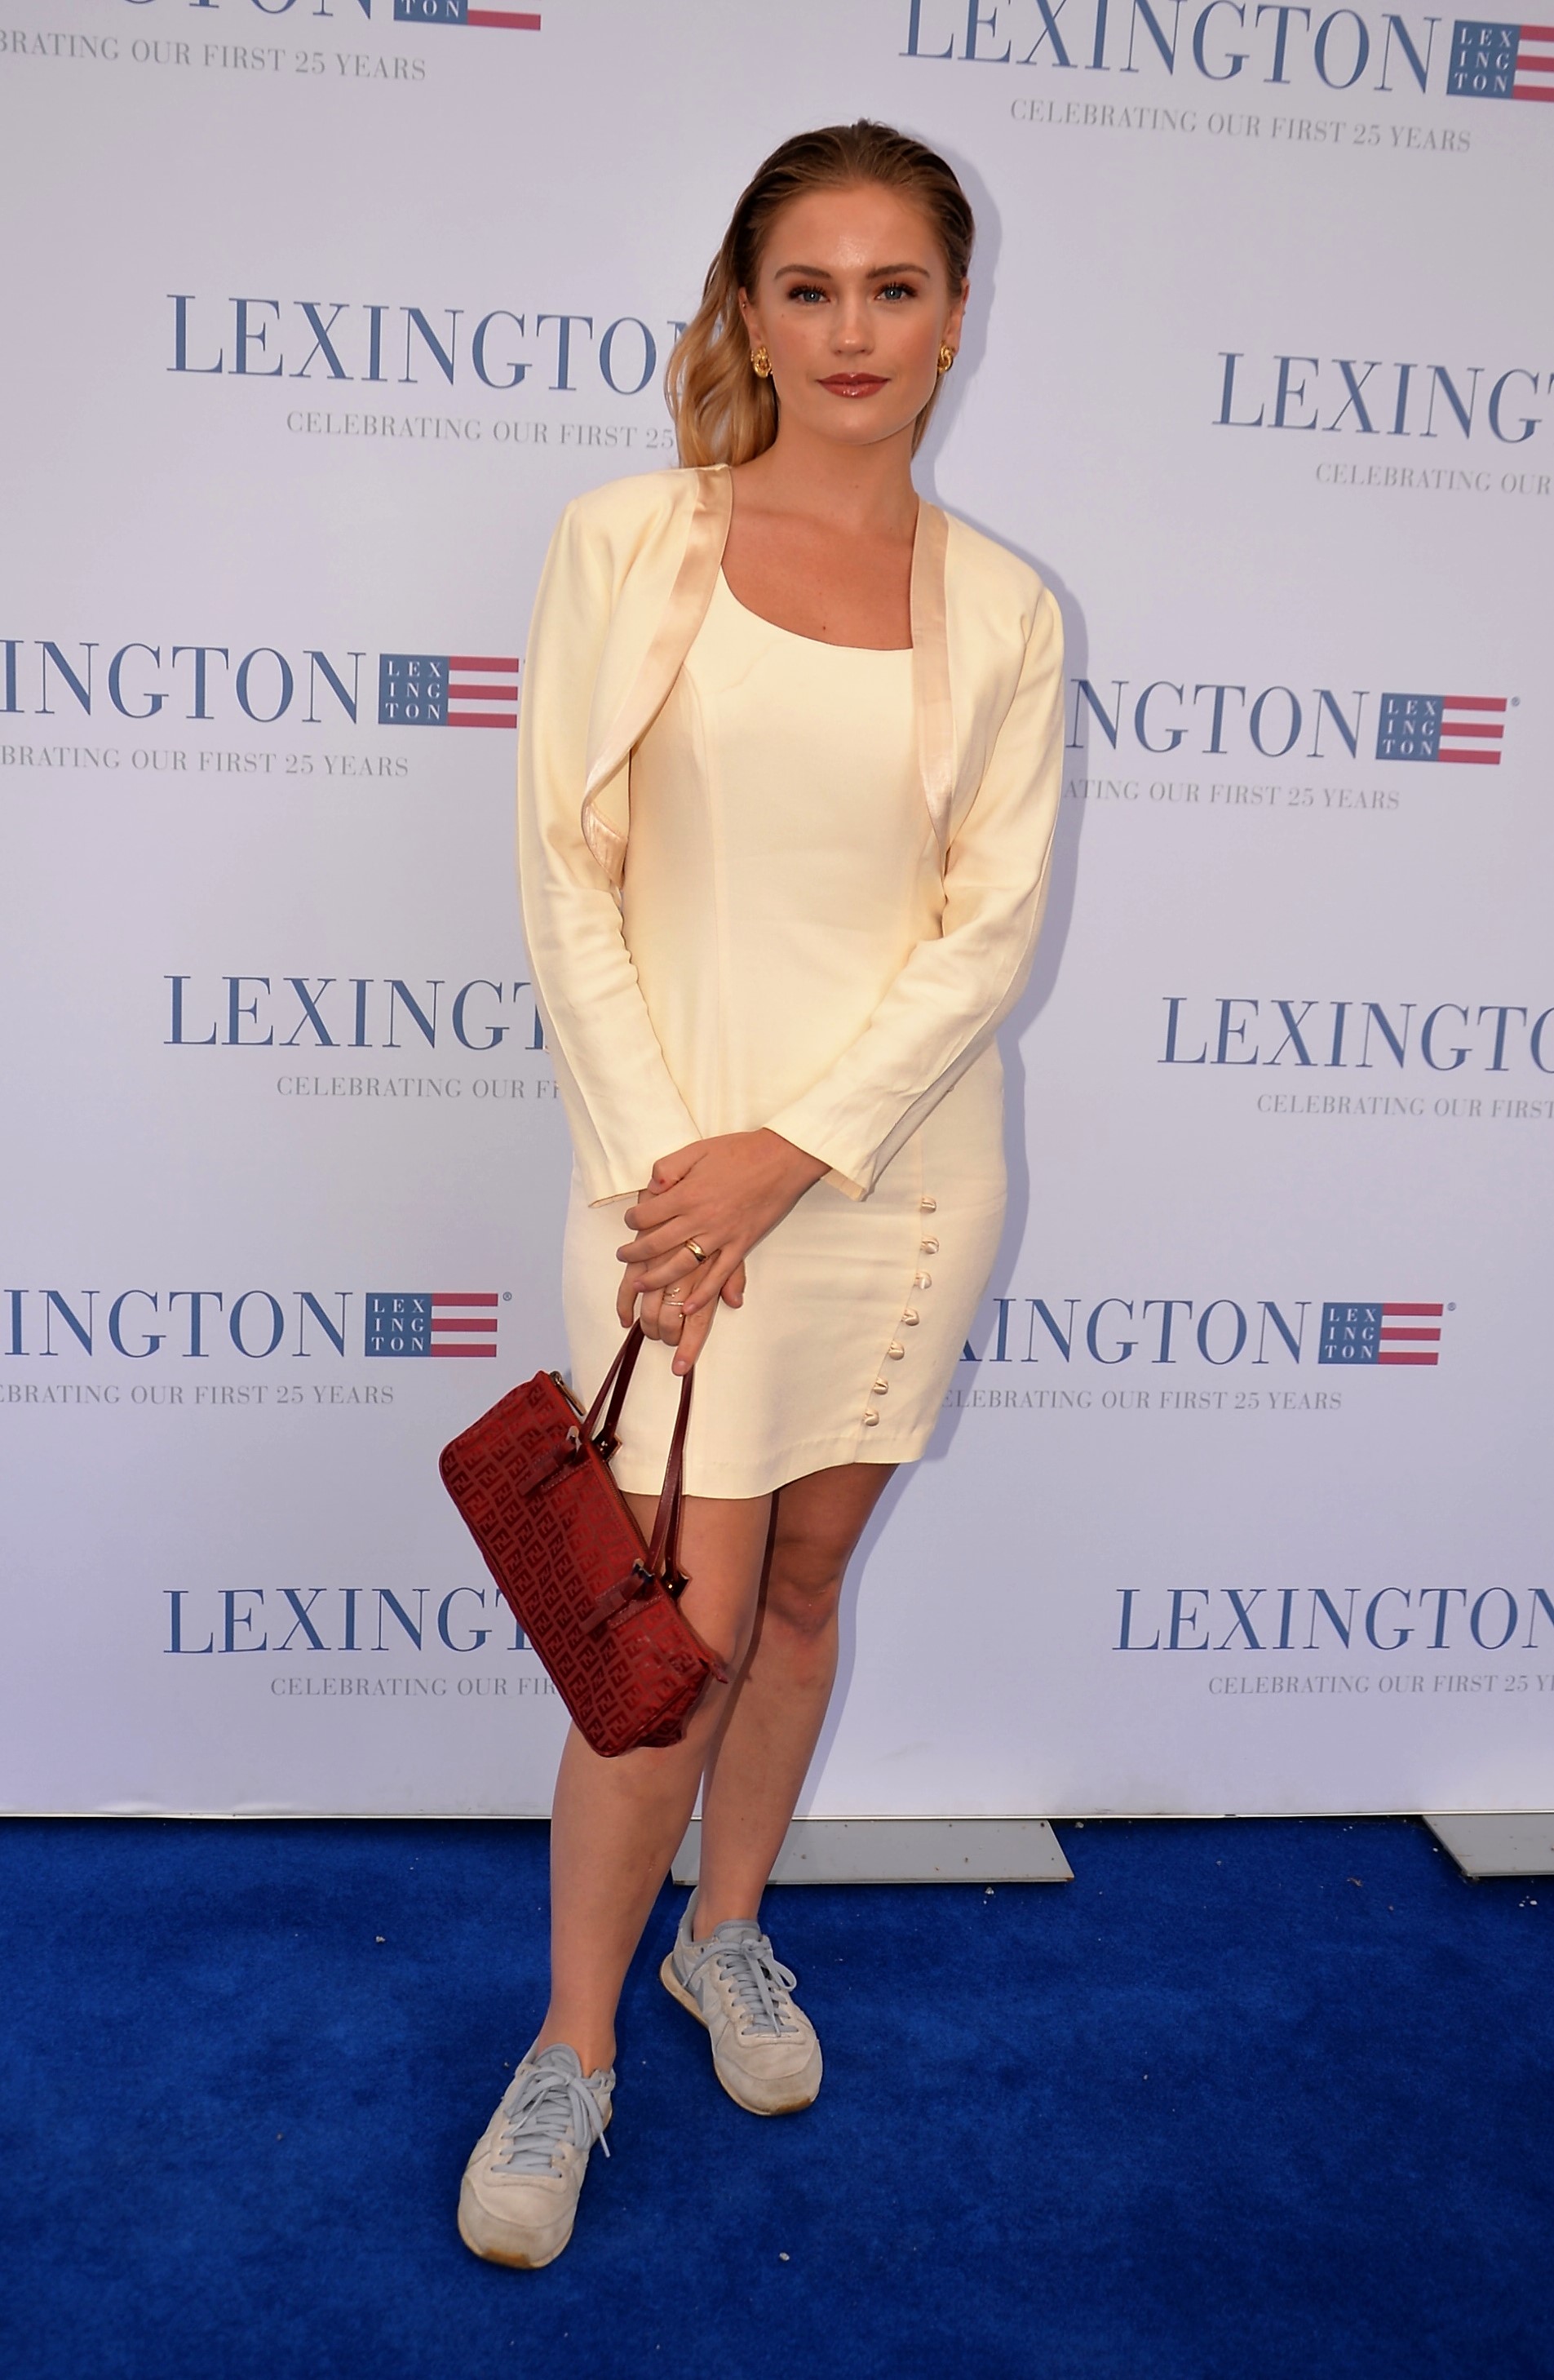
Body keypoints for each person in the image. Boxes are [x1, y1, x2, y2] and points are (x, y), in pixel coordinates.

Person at [458, 119, 1065, 2269]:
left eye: (896, 289)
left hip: (894, 1181)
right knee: (662, 1646)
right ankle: (571, 2049)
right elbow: (567, 875)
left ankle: (724, 1934)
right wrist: (676, 1182)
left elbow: (983, 934)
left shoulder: (1004, 608)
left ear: (955, 319)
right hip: (667, 1195)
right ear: (746, 310)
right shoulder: (629, 542)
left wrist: (790, 1155)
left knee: (800, 1593)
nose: (853, 331)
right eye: (809, 288)